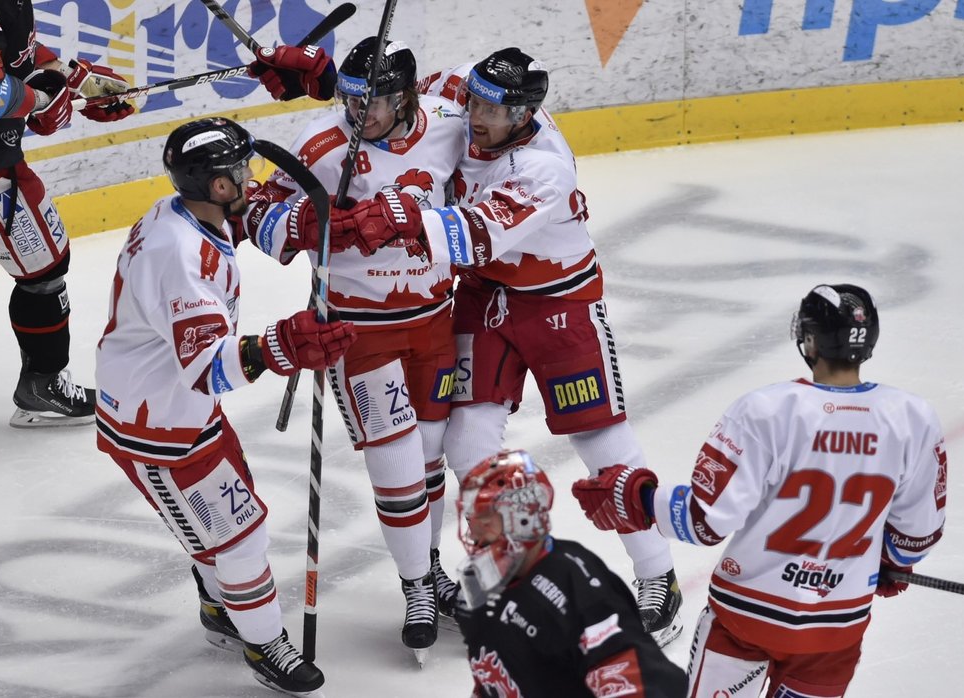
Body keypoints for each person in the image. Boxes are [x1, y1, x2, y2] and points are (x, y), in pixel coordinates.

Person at [335, 47, 684, 646]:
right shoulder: (472, 99)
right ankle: (503, 570)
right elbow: (409, 84)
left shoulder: (544, 167)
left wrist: (393, 217)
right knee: (468, 441)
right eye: (472, 100)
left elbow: (471, 235)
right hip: (483, 302)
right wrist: (323, 76)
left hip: (559, 305)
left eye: (492, 109)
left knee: (598, 435)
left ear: (525, 114)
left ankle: (658, 574)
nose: (473, 114)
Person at [571, 283, 948, 697]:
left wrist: (638, 498)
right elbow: (914, 538)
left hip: (746, 619)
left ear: (809, 339)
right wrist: (890, 560)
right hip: (835, 630)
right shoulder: (913, 419)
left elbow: (704, 523)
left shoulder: (766, 410)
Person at [95, 117, 359, 695]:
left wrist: (292, 218)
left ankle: (220, 610)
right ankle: (264, 644)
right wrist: (283, 345)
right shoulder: (182, 258)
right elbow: (207, 369)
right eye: (240, 172)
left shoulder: (182, 215)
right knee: (239, 539)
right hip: (157, 428)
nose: (249, 176)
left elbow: (235, 230)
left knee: (224, 527)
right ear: (217, 186)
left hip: (173, 413)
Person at [252, 36, 467, 662]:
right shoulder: (322, 145)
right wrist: (305, 225)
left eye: (372, 101)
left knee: (429, 458)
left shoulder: (450, 124)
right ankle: (416, 589)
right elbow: (256, 214)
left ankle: (430, 570)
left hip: (435, 320)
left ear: (408, 98)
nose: (358, 114)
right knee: (395, 464)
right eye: (347, 98)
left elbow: (488, 95)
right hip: (359, 332)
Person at [0, 0, 134, 426]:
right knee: (44, 270)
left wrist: (72, 79)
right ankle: (43, 385)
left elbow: (13, 48)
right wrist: (40, 101)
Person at [455, 448, 688, 697]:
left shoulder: (575, 585)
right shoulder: (476, 588)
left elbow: (632, 684)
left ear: (520, 519)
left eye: (485, 520)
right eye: (472, 519)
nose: (473, 533)